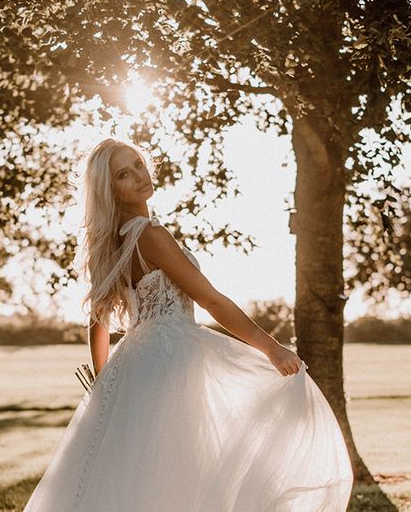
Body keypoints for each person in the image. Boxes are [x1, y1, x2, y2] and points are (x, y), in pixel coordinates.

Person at [23, 138, 353, 511]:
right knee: (180, 470)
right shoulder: (150, 236)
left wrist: (104, 386)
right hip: (171, 357)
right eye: (123, 174)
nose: (138, 176)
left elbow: (97, 324)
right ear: (110, 189)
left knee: (145, 473)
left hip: (133, 363)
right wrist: (271, 348)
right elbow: (211, 300)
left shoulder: (113, 244)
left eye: (137, 164)